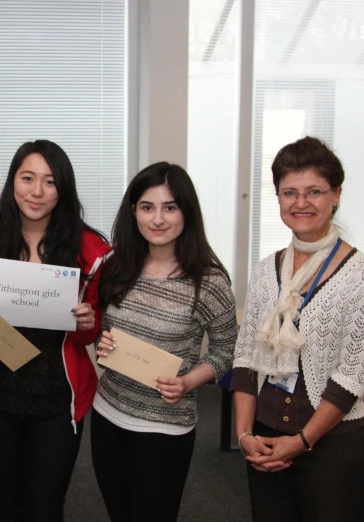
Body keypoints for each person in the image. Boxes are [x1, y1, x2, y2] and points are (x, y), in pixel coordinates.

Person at [0, 139, 111, 522]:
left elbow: (92, 332)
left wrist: (88, 323)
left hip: (58, 397)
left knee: (46, 507)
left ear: (63, 189)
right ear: (13, 182)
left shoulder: (90, 250)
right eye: (27, 178)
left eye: (50, 181)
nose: (37, 192)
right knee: (7, 505)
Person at [231, 136, 364, 522]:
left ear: (336, 195)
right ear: (278, 198)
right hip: (264, 436)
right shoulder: (267, 269)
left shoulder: (363, 276)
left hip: (330, 444)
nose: (301, 203)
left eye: (314, 191)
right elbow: (246, 357)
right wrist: (246, 434)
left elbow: (352, 377)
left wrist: (300, 442)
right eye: (290, 192)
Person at [92, 162, 237, 521]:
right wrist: (102, 343)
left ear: (186, 212)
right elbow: (102, 328)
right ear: (133, 212)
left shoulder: (209, 281)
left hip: (165, 426)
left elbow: (228, 350)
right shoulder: (115, 266)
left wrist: (188, 382)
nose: (158, 219)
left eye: (169, 207)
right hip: (108, 414)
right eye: (147, 207)